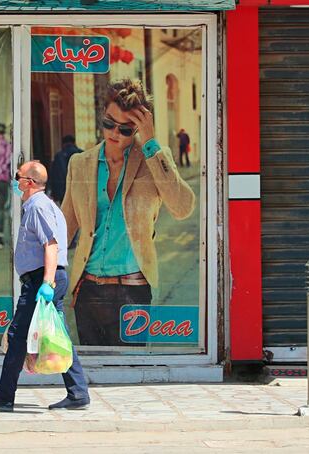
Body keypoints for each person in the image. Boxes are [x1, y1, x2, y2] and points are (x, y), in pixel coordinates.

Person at [61, 79, 196, 346]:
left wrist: (151, 143)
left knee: (129, 372)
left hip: (133, 291)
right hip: (87, 289)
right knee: (94, 374)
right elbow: (65, 227)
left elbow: (182, 207)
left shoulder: (153, 161)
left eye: (125, 129)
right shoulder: (80, 164)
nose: (114, 133)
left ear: (137, 129)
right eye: (109, 123)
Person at [0, 161, 90, 412]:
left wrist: (46, 283)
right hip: (48, 278)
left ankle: (3, 397)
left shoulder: (38, 206)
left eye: (18, 177)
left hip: (42, 280)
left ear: (28, 182)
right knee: (58, 335)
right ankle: (78, 392)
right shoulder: (46, 205)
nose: (15, 182)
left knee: (17, 336)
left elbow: (51, 244)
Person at [49, 135, 82, 203]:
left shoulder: (58, 156)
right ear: (74, 142)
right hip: (80, 191)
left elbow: (53, 175)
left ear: (63, 144)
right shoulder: (82, 154)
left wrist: (55, 194)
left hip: (64, 193)